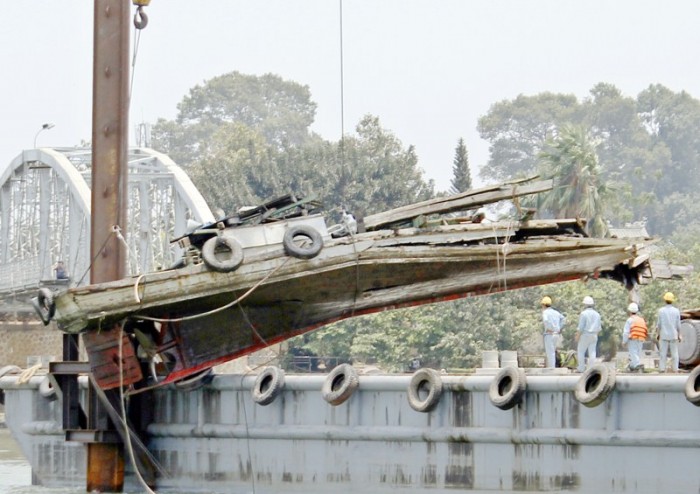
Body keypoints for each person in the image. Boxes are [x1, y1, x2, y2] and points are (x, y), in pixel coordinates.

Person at [656, 291, 682, 373]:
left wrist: (658, 334)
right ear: (672, 300)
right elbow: (678, 324)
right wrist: (679, 335)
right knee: (674, 353)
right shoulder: (676, 311)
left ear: (665, 300)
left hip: (663, 335)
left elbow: (659, 324)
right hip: (673, 335)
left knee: (662, 353)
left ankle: (662, 369)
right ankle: (675, 369)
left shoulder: (661, 311)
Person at [575, 296, 602, 372]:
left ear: (585, 304)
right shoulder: (597, 314)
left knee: (581, 351)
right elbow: (599, 328)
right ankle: (591, 368)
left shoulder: (583, 314)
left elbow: (581, 327)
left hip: (585, 334)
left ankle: (581, 368)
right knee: (592, 352)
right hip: (594, 335)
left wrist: (577, 336)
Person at [622, 302, 647, 372]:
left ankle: (637, 367)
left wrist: (624, 341)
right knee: (637, 354)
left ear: (629, 311)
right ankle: (632, 367)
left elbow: (626, 332)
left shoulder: (630, 320)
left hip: (632, 339)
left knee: (633, 354)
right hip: (641, 339)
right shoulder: (641, 319)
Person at [541, 296, 565, 368]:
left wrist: (549, 328)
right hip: (556, 334)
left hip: (549, 334)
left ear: (544, 305)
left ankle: (551, 368)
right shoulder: (556, 312)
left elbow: (545, 320)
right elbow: (563, 319)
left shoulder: (545, 312)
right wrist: (559, 328)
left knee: (550, 353)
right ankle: (552, 367)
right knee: (553, 351)